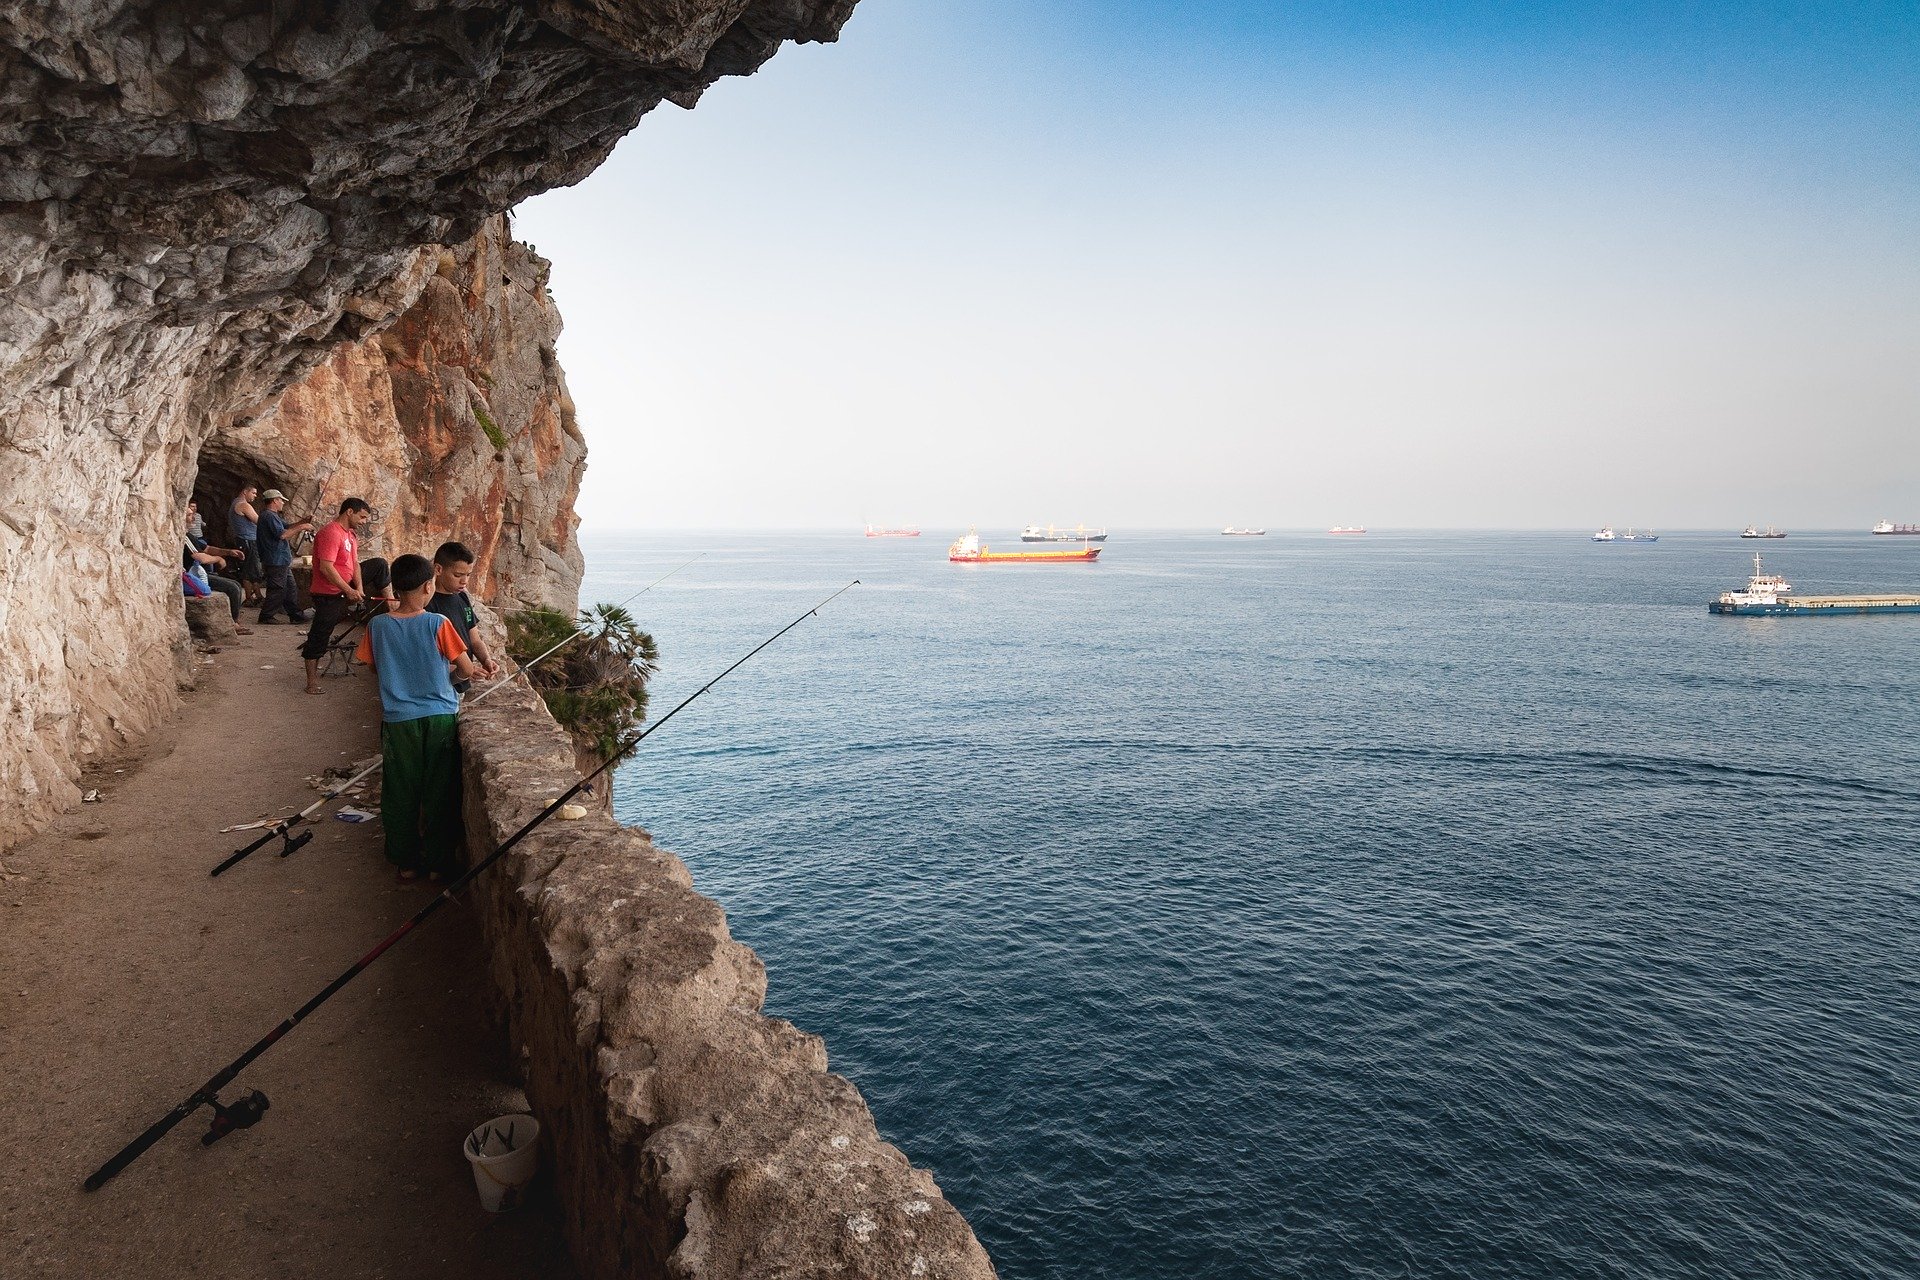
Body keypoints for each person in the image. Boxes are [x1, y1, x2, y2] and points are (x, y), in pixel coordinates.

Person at [353, 553, 481, 882]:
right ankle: (439, 863)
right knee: (440, 792)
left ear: (395, 587)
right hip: (439, 718)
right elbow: (466, 669)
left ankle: (406, 861)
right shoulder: (438, 624)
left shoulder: (377, 626)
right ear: (428, 586)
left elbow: (373, 667)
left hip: (398, 721)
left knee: (400, 790)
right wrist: (447, 674)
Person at [302, 497, 372, 694]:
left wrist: (359, 588)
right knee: (320, 634)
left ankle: (392, 607)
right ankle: (311, 682)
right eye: (362, 517)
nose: (364, 521)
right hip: (328, 593)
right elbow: (326, 567)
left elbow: (355, 563)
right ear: (349, 512)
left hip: (344, 587)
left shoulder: (350, 535)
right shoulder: (331, 532)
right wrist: (348, 590)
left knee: (380, 566)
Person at [426, 542, 500, 694]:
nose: (464, 581)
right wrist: (465, 669)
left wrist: (486, 660)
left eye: (468, 575)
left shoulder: (462, 597)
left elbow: (474, 639)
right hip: (440, 683)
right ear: (438, 569)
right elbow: (426, 655)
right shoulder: (428, 604)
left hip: (462, 682)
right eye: (458, 575)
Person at [183, 505, 251, 633]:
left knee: (236, 585)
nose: (193, 518)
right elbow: (200, 557)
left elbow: (207, 548)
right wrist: (218, 559)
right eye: (189, 515)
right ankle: (233, 624)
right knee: (232, 588)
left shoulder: (189, 536)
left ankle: (234, 620)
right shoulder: (184, 537)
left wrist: (228, 552)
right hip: (189, 577)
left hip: (195, 574)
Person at [256, 489, 313, 625]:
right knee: (277, 588)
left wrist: (302, 521)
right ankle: (266, 616)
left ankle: (296, 615)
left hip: (281, 560)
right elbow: (282, 534)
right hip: (275, 560)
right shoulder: (269, 516)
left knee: (290, 588)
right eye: (281, 500)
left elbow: (287, 527)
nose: (282, 503)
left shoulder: (272, 516)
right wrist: (302, 527)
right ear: (275, 500)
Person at [229, 484, 265, 606]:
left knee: (248, 568)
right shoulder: (243, 505)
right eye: (253, 493)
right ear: (245, 492)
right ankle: (254, 598)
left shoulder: (234, 502)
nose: (255, 496)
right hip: (249, 540)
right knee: (253, 568)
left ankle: (253, 597)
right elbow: (259, 521)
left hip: (242, 540)